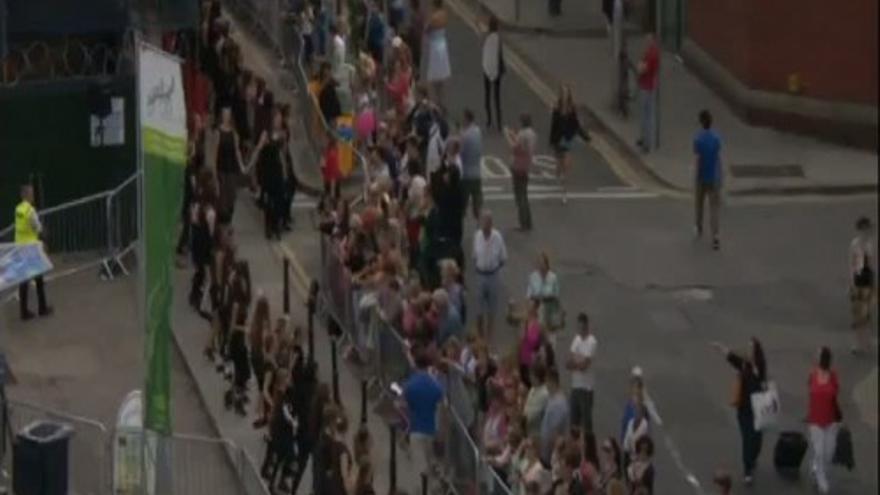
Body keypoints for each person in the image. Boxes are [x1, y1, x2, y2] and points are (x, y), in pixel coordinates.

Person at [712, 337, 767, 485]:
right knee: (748, 439)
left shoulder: (760, 367)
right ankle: (747, 470)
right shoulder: (744, 365)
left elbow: (763, 381)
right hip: (744, 409)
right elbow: (731, 357)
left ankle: (752, 458)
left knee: (757, 440)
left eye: (751, 348)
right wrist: (721, 347)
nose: (748, 350)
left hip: (758, 409)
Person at [401, 348, 445, 493]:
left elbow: (406, 407)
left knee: (419, 471)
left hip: (416, 429)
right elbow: (440, 407)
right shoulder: (436, 386)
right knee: (430, 465)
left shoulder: (410, 385)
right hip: (431, 430)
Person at [14, 184, 52, 320]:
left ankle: (23, 312)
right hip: (31, 248)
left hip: (21, 247)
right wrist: (45, 239)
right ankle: (42, 308)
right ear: (27, 195)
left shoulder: (18, 209)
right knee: (39, 279)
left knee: (23, 280)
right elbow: (37, 228)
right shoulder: (30, 210)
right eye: (31, 193)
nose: (33, 196)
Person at [807, 346, 840, 494]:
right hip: (815, 420)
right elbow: (810, 391)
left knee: (829, 453)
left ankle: (816, 464)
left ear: (823, 358)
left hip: (831, 420)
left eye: (818, 354)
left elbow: (835, 393)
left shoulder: (833, 376)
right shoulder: (812, 375)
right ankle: (821, 478)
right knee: (820, 451)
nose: (816, 357)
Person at [549, 86, 589, 204]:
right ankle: (558, 177)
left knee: (566, 166)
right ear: (561, 96)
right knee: (558, 166)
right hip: (557, 140)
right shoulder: (556, 109)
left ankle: (564, 193)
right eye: (563, 94)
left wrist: (585, 137)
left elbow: (576, 125)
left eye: (567, 94)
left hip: (566, 140)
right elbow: (553, 126)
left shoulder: (572, 110)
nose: (565, 96)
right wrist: (551, 141)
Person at [472, 211, 507, 342]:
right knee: (479, 310)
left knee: (492, 310)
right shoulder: (477, 236)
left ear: (491, 223)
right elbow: (474, 256)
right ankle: (480, 337)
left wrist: (495, 268)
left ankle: (489, 339)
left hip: (493, 275)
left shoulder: (497, 237)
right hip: (480, 274)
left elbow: (503, 257)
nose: (484, 224)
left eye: (487, 222)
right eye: (483, 221)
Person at [693, 109, 723, 250]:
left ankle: (699, 227)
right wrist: (721, 176)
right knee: (714, 208)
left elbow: (698, 159)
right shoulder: (716, 138)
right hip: (714, 177)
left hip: (702, 177)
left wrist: (696, 176)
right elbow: (718, 158)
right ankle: (715, 236)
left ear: (701, 122)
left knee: (699, 204)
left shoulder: (698, 139)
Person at [566, 313, 597, 435]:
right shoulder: (576, 339)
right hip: (576, 386)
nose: (580, 330)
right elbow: (568, 362)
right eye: (578, 327)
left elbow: (585, 366)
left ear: (587, 326)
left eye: (582, 327)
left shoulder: (592, 342)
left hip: (586, 388)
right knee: (574, 422)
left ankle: (588, 447)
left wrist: (576, 362)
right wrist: (578, 361)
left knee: (586, 423)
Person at [505, 113, 536, 231]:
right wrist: (514, 135)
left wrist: (508, 135)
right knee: (524, 195)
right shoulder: (532, 134)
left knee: (520, 196)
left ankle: (523, 223)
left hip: (517, 167)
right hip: (526, 167)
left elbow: (514, 148)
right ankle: (528, 221)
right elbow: (522, 146)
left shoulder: (522, 134)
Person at [849, 216, 874, 354]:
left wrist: (873, 282)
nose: (867, 232)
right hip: (858, 279)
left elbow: (871, 264)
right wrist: (852, 282)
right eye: (866, 229)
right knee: (858, 313)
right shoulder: (854, 244)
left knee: (867, 312)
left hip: (867, 278)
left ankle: (867, 342)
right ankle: (857, 344)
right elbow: (852, 264)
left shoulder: (869, 245)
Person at [527, 252, 562, 336]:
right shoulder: (533, 277)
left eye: (543, 264)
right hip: (536, 308)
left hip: (549, 308)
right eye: (539, 264)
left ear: (547, 264)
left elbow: (556, 295)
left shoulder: (553, 277)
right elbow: (529, 295)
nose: (541, 266)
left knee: (549, 336)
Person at [539, 368, 569, 467]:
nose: (546, 385)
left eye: (546, 381)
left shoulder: (558, 404)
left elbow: (555, 431)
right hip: (545, 451)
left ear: (552, 381)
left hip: (549, 455)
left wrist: (551, 453)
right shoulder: (552, 399)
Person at [424, 0, 451, 107]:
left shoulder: (434, 18)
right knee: (442, 74)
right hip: (443, 44)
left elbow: (427, 29)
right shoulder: (444, 14)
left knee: (434, 75)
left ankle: (436, 100)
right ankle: (441, 100)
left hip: (435, 46)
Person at [636, 31, 659, 153]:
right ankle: (643, 138)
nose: (646, 42)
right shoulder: (650, 53)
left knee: (646, 116)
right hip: (648, 86)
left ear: (652, 40)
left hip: (647, 86)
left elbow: (641, 69)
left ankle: (646, 143)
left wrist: (640, 66)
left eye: (648, 40)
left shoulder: (651, 54)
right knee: (646, 114)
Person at [459, 108, 484, 220]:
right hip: (477, 173)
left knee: (462, 204)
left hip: (466, 174)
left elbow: (461, 153)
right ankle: (480, 226)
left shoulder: (465, 135)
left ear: (467, 119)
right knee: (477, 204)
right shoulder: (478, 131)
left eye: (463, 118)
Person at [481, 15, 504, 130]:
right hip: (497, 70)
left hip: (486, 69)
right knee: (497, 97)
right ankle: (499, 122)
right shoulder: (499, 38)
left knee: (487, 95)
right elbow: (499, 54)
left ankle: (489, 120)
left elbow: (479, 29)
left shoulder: (486, 36)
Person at [322, 134, 342, 200]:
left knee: (332, 191)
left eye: (325, 139)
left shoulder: (332, 151)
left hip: (331, 174)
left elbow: (324, 163)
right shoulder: (331, 151)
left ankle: (332, 200)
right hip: (330, 174)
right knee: (331, 191)